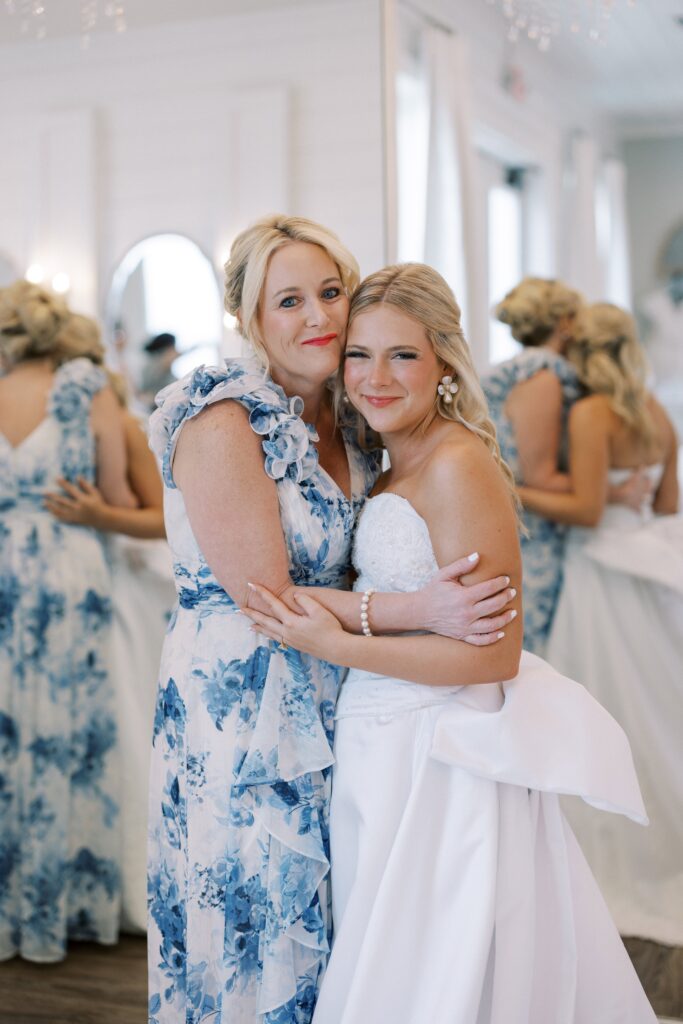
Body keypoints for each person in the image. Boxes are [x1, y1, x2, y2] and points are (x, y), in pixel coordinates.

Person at [245, 265, 656, 1024]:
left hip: (441, 754)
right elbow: (385, 602)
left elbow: (491, 657)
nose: (374, 377)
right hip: (384, 744)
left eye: (400, 355)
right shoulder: (396, 457)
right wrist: (385, 610)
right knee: (395, 952)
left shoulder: (459, 463)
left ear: (440, 362)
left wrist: (336, 641)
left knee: (433, 969)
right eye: (359, 355)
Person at [145, 216, 516, 1024]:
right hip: (242, 702)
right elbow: (267, 598)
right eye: (288, 300)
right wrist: (416, 610)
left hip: (341, 687)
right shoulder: (221, 417)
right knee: (255, 922)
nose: (317, 316)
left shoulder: (353, 414)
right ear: (248, 318)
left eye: (329, 292)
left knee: (340, 922)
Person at [519, 302, 682, 946]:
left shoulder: (591, 413)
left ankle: (621, 854)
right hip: (650, 566)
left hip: (601, 575)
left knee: (609, 709)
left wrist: (508, 484)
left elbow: (584, 511)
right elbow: (669, 504)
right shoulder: (656, 412)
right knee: (659, 710)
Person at [0, 282, 136, 962]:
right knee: (66, 734)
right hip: (67, 572)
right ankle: (65, 902)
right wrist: (100, 517)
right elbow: (119, 499)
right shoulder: (87, 390)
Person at [44, 371, 174, 933]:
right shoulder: (48, 431)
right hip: (58, 596)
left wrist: (100, 517)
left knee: (126, 723)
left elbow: (163, 517)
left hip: (121, 584)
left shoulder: (122, 424)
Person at [483, 278, 648, 655]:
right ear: (565, 323)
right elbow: (540, 476)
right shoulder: (543, 378)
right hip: (531, 537)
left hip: (531, 524)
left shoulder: (528, 371)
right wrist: (613, 492)